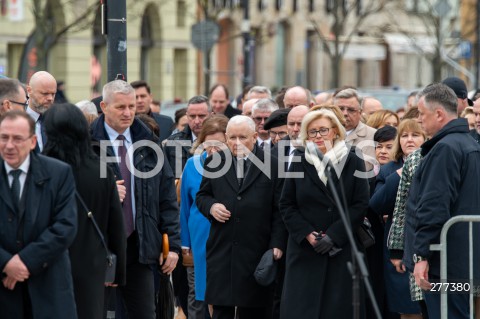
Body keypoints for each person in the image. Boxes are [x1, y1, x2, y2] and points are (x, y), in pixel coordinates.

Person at [90, 80, 181, 319]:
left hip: (140, 245)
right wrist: (104, 193)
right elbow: (73, 195)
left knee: (144, 314)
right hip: (100, 247)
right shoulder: (87, 144)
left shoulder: (149, 142)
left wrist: (171, 245)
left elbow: (167, 199)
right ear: (103, 106)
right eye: (120, 107)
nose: (128, 112)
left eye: (131, 106)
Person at [279, 109, 369, 318]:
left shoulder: (353, 159)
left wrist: (334, 236)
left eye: (323, 130)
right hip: (305, 251)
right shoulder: (299, 161)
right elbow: (287, 204)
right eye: (312, 132)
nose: (318, 136)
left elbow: (360, 203)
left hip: (341, 249)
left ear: (335, 132)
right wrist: (308, 234)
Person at [196, 115, 286, 319]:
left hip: (256, 249)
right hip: (222, 248)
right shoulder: (214, 161)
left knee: (254, 310)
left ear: (255, 136)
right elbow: (202, 196)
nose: (237, 143)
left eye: (242, 138)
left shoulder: (273, 164)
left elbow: (280, 210)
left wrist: (277, 244)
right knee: (220, 310)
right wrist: (211, 207)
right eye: (232, 138)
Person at [42, 103, 127, 319]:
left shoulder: (41, 169)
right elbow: (116, 224)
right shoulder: (100, 169)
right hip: (92, 266)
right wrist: (117, 272)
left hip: (46, 264)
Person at [404, 83, 480, 319]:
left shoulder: (445, 148)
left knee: (447, 314)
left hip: (444, 263)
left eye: (422, 114)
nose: (418, 119)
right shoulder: (468, 144)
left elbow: (434, 204)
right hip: (461, 259)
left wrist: (421, 256)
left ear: (438, 114)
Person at [0, 110, 78, 318]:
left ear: (33, 141)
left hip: (48, 287)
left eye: (17, 139)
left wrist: (24, 262)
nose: (9, 145)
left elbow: (65, 226)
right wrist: (6, 263)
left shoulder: (59, 173)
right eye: (4, 138)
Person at [369, 119, 426, 319]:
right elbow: (376, 203)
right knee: (407, 307)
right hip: (399, 247)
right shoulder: (389, 169)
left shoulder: (434, 162)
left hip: (427, 242)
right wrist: (400, 174)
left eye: (415, 135)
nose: (409, 140)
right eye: (404, 135)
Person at [180, 115, 229, 319]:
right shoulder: (192, 164)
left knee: (225, 292)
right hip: (200, 235)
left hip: (226, 234)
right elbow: (185, 205)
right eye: (208, 145)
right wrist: (185, 242)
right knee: (202, 291)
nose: (213, 151)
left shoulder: (237, 165)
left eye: (219, 145)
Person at [164, 95, 211, 178]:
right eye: (192, 116)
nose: (196, 121)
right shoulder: (172, 142)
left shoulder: (221, 141)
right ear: (187, 116)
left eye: (201, 116)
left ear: (211, 115)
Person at [333, 88, 376, 172]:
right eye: (340, 109)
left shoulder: (374, 136)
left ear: (360, 112)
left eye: (351, 110)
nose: (345, 113)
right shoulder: (323, 134)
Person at [25, 71, 57, 152]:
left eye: (53, 94)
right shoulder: (16, 118)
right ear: (29, 91)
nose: (50, 98)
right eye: (45, 94)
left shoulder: (58, 121)